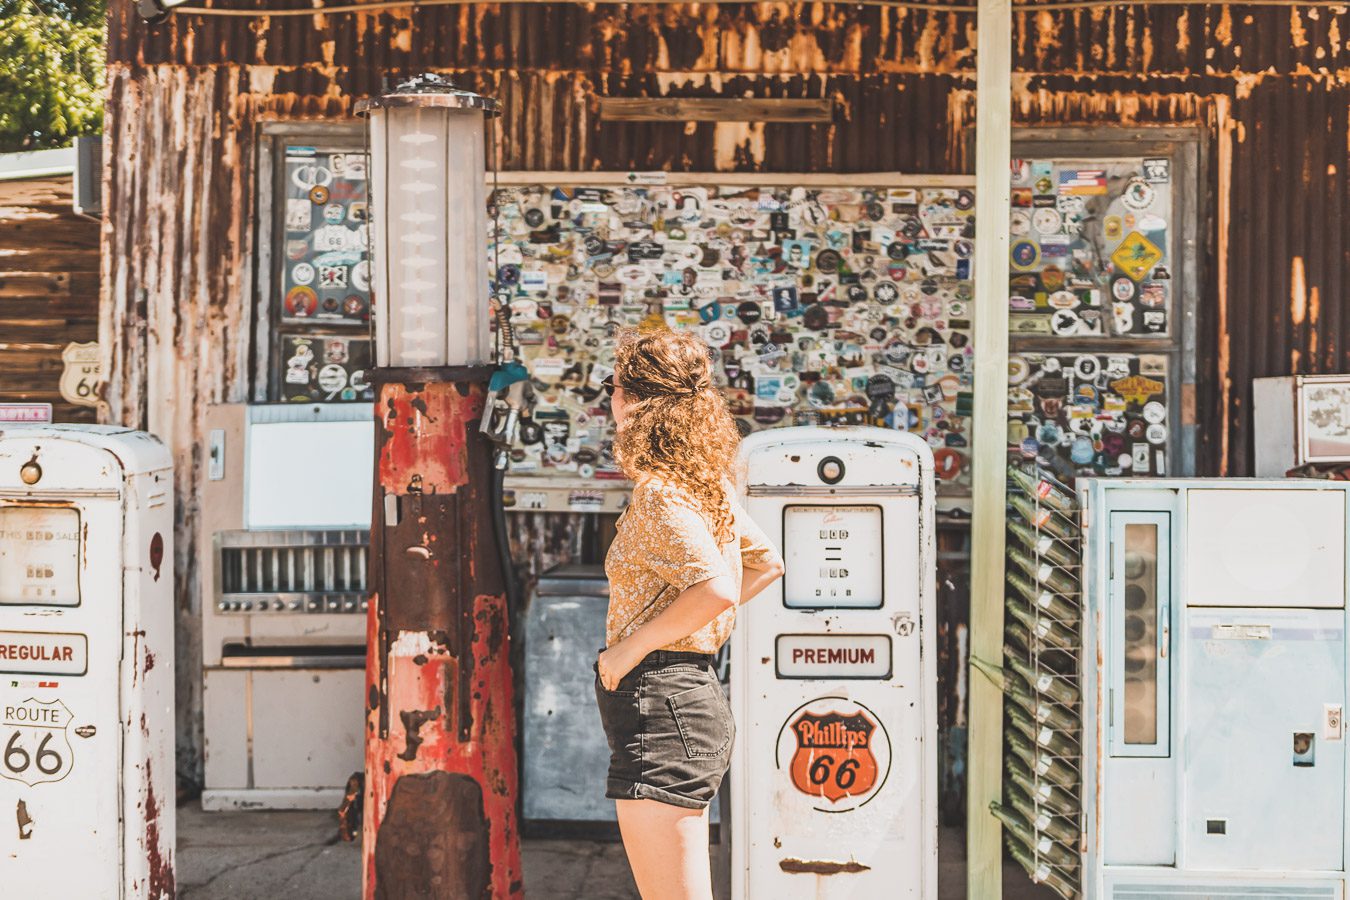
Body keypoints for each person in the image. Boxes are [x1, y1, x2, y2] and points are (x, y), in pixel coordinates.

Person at [594, 328, 785, 900]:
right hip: (685, 699)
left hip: (663, 702)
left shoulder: (661, 493)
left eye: (614, 386)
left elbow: (717, 589)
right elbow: (767, 566)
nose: (610, 400)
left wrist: (631, 648)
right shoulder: (705, 488)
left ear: (631, 402)